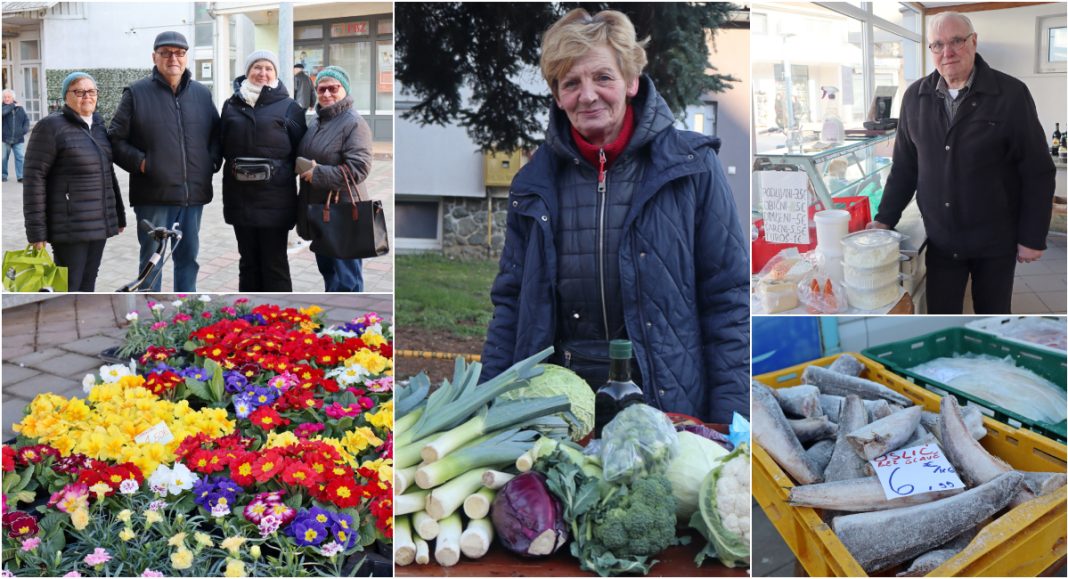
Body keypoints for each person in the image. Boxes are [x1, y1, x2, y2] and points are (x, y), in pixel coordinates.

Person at [480, 9, 749, 423]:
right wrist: (485, 406)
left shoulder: (691, 168)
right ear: (557, 96)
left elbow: (728, 299)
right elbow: (511, 304)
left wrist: (731, 419)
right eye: (571, 83)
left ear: (631, 81)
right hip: (560, 410)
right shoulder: (533, 184)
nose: (587, 95)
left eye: (603, 77)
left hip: (668, 403)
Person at [869, 12, 1055, 314]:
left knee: (993, 317)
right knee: (942, 316)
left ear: (973, 42)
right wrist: (884, 219)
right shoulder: (915, 97)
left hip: (996, 240)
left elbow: (1037, 171)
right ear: (930, 50)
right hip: (942, 240)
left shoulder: (1010, 94)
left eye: (956, 41)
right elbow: (905, 167)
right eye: (938, 45)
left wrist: (1032, 236)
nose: (948, 52)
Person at [109, 31, 221, 292]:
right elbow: (115, 139)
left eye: (179, 53)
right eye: (166, 53)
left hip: (192, 197)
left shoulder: (202, 94)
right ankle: (149, 308)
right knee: (152, 261)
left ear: (186, 57)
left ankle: (186, 304)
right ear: (154, 57)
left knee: (188, 259)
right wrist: (143, 164)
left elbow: (217, 135)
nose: (173, 58)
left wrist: (210, 163)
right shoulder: (136, 93)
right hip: (154, 196)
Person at [22, 73, 126, 291]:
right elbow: (34, 179)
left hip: (98, 223)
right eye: (79, 91)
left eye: (92, 91)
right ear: (66, 97)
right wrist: (36, 231)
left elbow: (107, 172)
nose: (87, 96)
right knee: (68, 286)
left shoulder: (98, 126)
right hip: (69, 226)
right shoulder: (51, 126)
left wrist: (117, 214)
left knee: (88, 283)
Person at [219, 50, 308, 291]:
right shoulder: (231, 105)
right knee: (248, 262)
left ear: (276, 73)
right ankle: (249, 311)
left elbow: (300, 152)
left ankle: (280, 311)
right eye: (257, 67)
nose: (263, 73)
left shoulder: (290, 107)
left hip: (276, 200)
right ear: (247, 72)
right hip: (240, 199)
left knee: (274, 263)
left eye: (269, 68)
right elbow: (222, 145)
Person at [296, 65, 374, 292]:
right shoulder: (318, 120)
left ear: (345, 89)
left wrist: (318, 173)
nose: (327, 94)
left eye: (333, 88)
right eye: (321, 89)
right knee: (329, 274)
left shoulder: (354, 123)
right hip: (321, 212)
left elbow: (359, 168)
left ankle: (353, 315)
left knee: (347, 280)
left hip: (344, 213)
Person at [2, 89, 29, 183]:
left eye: (8, 97)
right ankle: (3, 175)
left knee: (20, 157)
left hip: (18, 138)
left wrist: (24, 130)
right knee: (3, 158)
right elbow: (3, 113)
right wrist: (13, 105)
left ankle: (20, 176)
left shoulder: (20, 108)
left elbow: (26, 120)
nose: (6, 99)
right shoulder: (2, 107)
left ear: (13, 98)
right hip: (4, 138)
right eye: (5, 97)